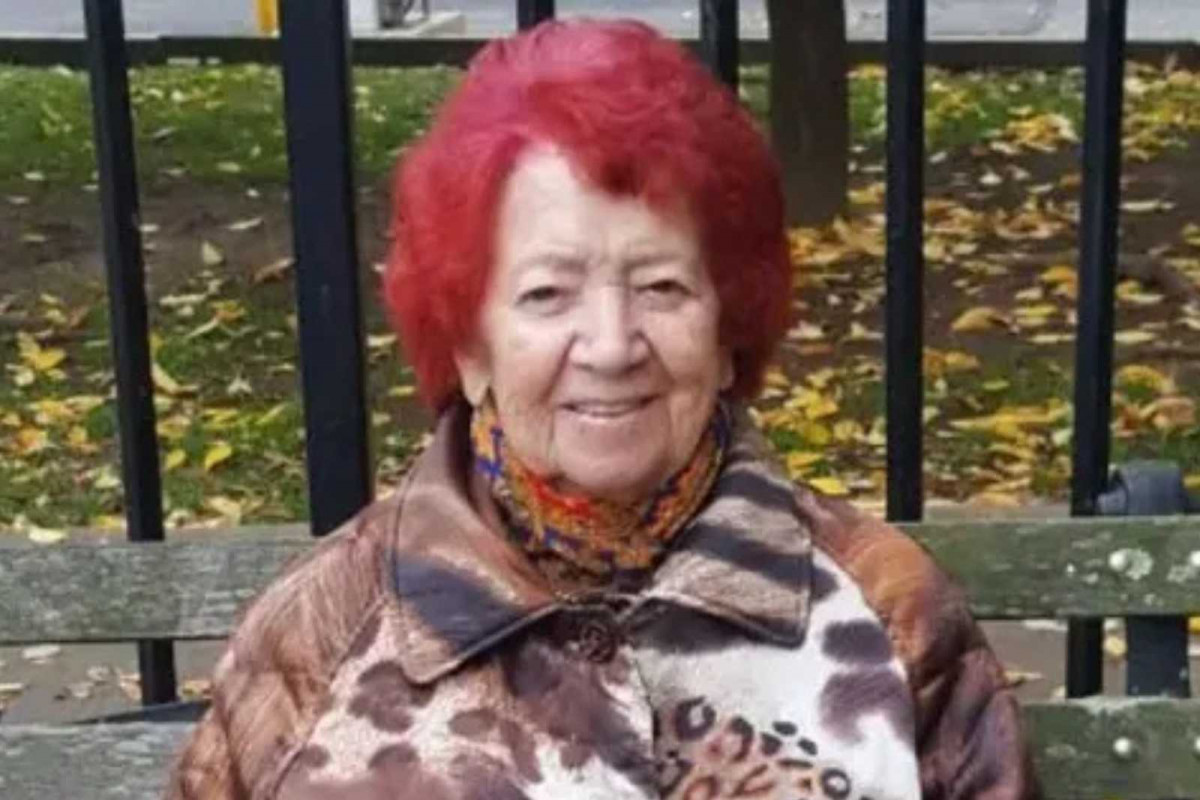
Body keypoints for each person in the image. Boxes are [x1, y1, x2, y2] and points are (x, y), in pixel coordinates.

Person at [168, 19, 1037, 800]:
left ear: (728, 329)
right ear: (469, 346)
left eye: (661, 286)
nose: (613, 345)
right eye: (548, 294)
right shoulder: (319, 640)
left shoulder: (888, 611)